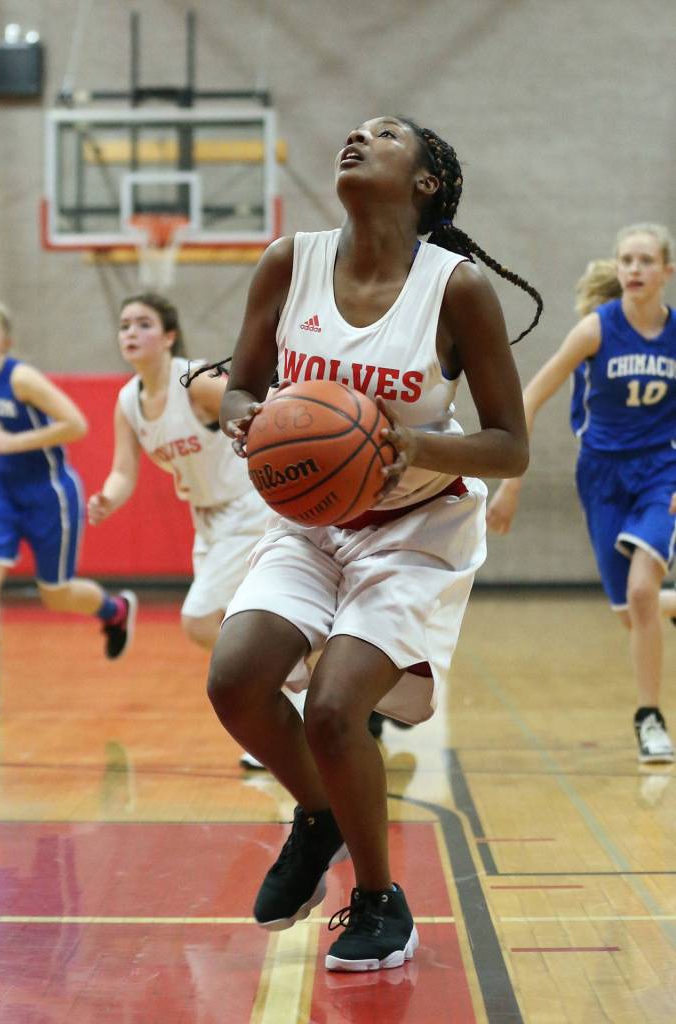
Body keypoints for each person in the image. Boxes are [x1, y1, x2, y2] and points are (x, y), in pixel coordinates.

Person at [204, 115, 541, 972]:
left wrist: (411, 444)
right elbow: (239, 387)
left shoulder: (456, 288)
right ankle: (318, 818)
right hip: (314, 521)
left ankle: (380, 898)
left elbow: (511, 445)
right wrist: (256, 419)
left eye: (384, 135)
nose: (356, 138)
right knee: (236, 680)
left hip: (417, 527)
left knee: (331, 708)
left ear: (426, 180)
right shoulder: (291, 260)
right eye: (353, 131)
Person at [86, 292, 308, 767]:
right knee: (240, 618)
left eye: (143, 324)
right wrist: (108, 496)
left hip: (250, 505)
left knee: (200, 620)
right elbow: (124, 471)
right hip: (207, 519)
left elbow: (265, 409)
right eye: (124, 325)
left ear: (168, 336)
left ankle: (286, 703)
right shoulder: (129, 400)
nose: (130, 332)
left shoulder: (198, 382)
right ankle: (301, 693)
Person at [487, 224, 676, 764]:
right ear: (617, 270)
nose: (635, 269)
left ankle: (649, 719)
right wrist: (511, 486)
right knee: (630, 611)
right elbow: (527, 399)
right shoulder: (597, 330)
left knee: (641, 594)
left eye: (645, 260)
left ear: (666, 272)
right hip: (601, 476)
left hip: (662, 471)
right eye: (626, 260)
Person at [0, 300, 136, 716]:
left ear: (6, 341)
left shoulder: (21, 379)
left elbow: (76, 424)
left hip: (47, 492)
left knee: (55, 595)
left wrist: (11, 443)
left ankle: (114, 610)